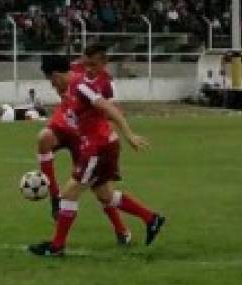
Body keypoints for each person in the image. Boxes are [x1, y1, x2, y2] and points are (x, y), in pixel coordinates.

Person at [29, 44, 166, 257]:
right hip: (99, 146)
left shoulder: (80, 86)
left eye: (51, 80)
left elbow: (109, 108)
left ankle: (56, 247)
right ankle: (151, 218)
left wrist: (129, 134)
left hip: (99, 148)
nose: (52, 85)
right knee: (105, 195)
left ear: (56, 75)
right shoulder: (73, 86)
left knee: (68, 194)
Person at [35, 54, 132, 243]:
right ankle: (55, 198)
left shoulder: (84, 78)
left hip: (87, 135)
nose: (52, 85)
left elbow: (105, 96)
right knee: (44, 138)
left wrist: (115, 112)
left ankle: (123, 229)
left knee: (100, 189)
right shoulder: (72, 71)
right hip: (67, 121)